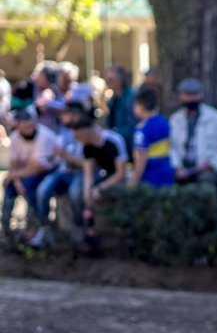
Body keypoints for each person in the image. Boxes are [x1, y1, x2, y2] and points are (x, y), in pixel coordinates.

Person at [68, 104, 128, 250]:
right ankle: (88, 232)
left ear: (86, 133)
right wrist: (87, 192)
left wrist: (100, 188)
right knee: (79, 193)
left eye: (78, 136)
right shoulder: (86, 147)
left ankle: (125, 236)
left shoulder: (113, 141)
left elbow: (121, 174)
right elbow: (88, 173)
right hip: (105, 176)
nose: (77, 140)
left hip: (121, 178)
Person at [30, 100, 87, 248]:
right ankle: (45, 229)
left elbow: (87, 163)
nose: (62, 117)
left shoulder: (87, 131)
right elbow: (57, 155)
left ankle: (79, 228)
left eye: (66, 114)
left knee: (75, 193)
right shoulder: (63, 131)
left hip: (79, 173)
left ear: (75, 116)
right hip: (61, 172)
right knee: (42, 189)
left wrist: (67, 156)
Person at [169, 78, 217, 192]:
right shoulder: (175, 119)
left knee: (206, 183)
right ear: (181, 97)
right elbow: (171, 147)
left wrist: (211, 164)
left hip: (208, 168)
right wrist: (177, 166)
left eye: (194, 95)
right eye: (187, 95)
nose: (191, 99)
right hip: (183, 167)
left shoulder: (215, 117)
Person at [2, 107, 58, 241]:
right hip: (25, 172)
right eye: (25, 126)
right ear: (18, 126)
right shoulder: (15, 137)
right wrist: (15, 181)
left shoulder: (44, 136)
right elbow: (14, 163)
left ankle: (34, 226)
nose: (29, 129)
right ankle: (5, 228)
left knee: (29, 186)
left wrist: (14, 176)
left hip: (47, 171)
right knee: (9, 186)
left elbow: (37, 168)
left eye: (31, 125)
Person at [129, 84, 173, 188]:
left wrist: (134, 182)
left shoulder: (142, 129)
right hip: (166, 172)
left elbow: (141, 156)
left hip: (149, 176)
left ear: (141, 106)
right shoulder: (164, 122)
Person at [99, 65, 137, 156]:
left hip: (129, 146)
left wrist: (112, 132)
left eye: (110, 79)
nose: (107, 82)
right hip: (117, 143)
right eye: (106, 79)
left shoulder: (131, 97)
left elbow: (133, 125)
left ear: (120, 81)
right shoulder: (113, 98)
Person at [32, 64, 64, 133]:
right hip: (36, 130)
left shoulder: (55, 90)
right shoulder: (31, 87)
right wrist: (41, 104)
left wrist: (49, 103)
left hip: (53, 129)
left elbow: (63, 106)